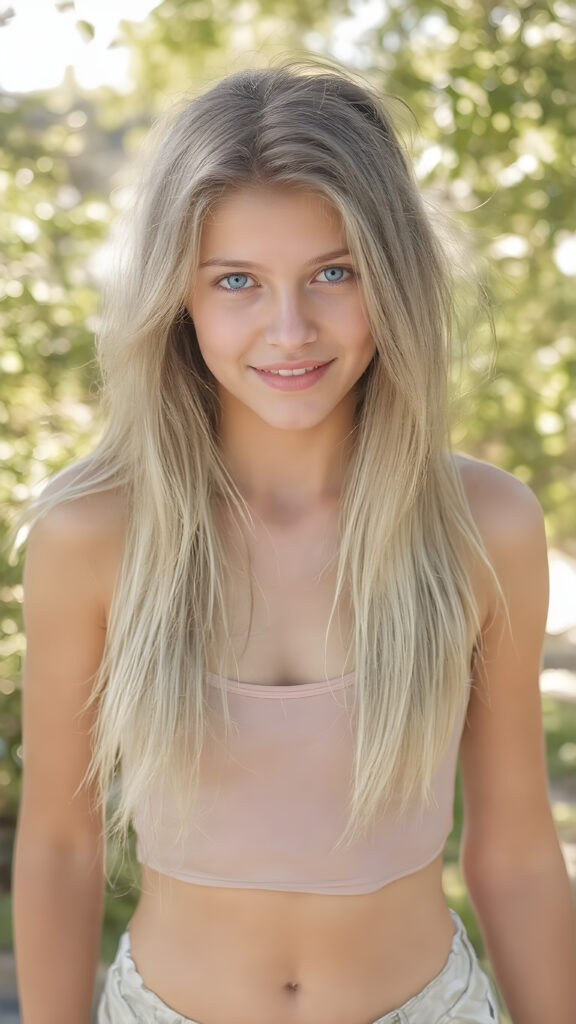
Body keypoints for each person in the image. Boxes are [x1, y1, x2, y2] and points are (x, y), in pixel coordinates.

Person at [12, 58, 576, 1024]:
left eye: (332, 273)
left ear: (391, 278)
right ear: (176, 298)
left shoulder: (484, 527)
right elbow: (61, 847)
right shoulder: (92, 534)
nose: (289, 329)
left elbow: (516, 849)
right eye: (236, 279)